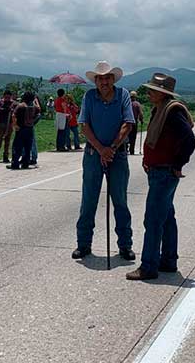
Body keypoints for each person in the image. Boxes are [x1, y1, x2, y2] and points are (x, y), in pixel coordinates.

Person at [127, 73, 195, 281]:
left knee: (153, 219)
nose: (148, 93)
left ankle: (149, 266)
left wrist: (177, 164)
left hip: (164, 172)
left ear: (162, 93)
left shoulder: (172, 111)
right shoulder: (162, 109)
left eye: (152, 90)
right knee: (166, 218)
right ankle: (168, 260)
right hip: (159, 170)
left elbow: (189, 141)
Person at [72, 61, 136, 261]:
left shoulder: (123, 95)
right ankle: (84, 244)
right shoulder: (89, 96)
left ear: (113, 79)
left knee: (120, 200)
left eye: (108, 77)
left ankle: (125, 245)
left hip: (118, 154)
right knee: (88, 200)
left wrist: (112, 149)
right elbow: (84, 125)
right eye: (100, 78)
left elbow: (128, 123)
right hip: (93, 153)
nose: (104, 81)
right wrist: (101, 149)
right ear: (96, 81)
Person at [9, 91, 41, 170]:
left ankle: (15, 163)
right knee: (27, 147)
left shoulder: (21, 106)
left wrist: (15, 125)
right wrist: (36, 101)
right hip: (29, 129)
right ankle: (25, 163)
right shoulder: (33, 107)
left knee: (17, 147)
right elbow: (39, 110)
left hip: (21, 129)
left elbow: (13, 115)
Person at [0, 90, 14, 163]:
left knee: (7, 141)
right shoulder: (0, 102)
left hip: (9, 124)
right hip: (1, 123)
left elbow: (15, 111)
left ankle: (6, 157)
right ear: (4, 96)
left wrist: (11, 110)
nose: (7, 98)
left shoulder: (12, 103)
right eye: (6, 97)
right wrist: (5, 109)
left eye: (9, 97)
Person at [128, 91, 145, 155]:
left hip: (127, 123)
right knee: (133, 137)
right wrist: (141, 120)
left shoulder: (127, 103)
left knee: (126, 136)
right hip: (134, 123)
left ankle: (126, 148)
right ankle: (131, 151)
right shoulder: (137, 104)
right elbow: (140, 114)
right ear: (135, 97)